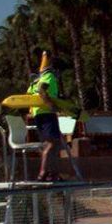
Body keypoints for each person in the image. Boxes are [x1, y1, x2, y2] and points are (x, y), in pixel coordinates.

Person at [26, 52, 77, 181]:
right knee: (51, 143)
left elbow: (30, 92)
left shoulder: (38, 78)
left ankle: (52, 173)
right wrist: (51, 105)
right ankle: (43, 172)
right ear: (56, 69)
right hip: (46, 114)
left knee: (55, 143)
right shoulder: (49, 76)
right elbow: (41, 90)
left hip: (40, 114)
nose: (60, 75)